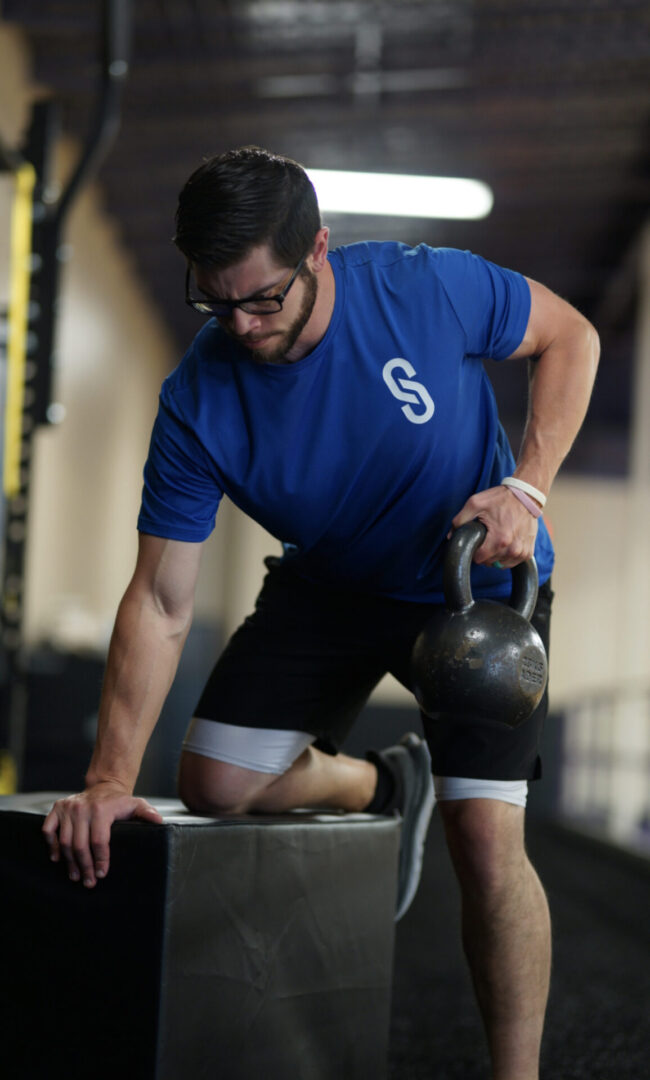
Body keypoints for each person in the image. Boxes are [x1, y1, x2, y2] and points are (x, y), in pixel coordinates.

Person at [42, 146, 599, 1080]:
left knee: (487, 843)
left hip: (474, 583)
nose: (244, 327)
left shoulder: (425, 288)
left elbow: (570, 336)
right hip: (331, 585)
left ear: (319, 252)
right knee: (213, 782)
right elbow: (161, 598)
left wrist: (527, 488)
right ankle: (383, 787)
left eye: (265, 299)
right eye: (217, 303)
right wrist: (107, 777)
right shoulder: (196, 403)